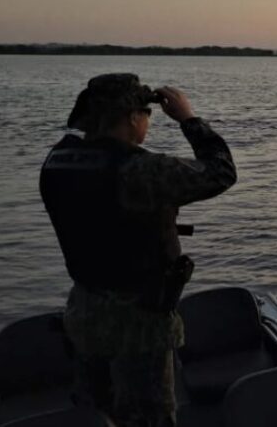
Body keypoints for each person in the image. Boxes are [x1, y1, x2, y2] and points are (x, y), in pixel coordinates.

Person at [39, 73, 237, 426]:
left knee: (95, 415)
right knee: (149, 418)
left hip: (85, 313)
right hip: (139, 326)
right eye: (146, 114)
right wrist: (188, 119)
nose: (147, 122)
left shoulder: (58, 161)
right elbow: (220, 171)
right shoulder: (139, 170)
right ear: (132, 118)